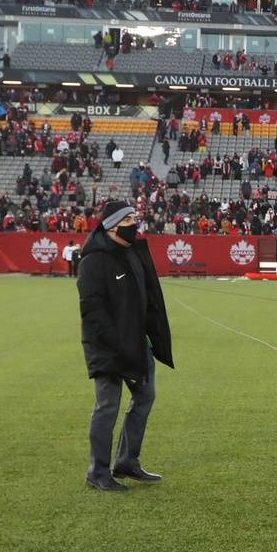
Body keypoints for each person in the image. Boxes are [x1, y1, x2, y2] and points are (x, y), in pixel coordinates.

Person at [76, 200, 174, 492]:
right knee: (107, 405)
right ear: (113, 225)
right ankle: (97, 471)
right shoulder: (93, 261)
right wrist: (117, 345)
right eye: (130, 218)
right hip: (107, 347)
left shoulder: (131, 253)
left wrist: (151, 335)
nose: (136, 222)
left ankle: (127, 461)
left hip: (136, 343)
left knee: (145, 396)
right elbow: (92, 311)